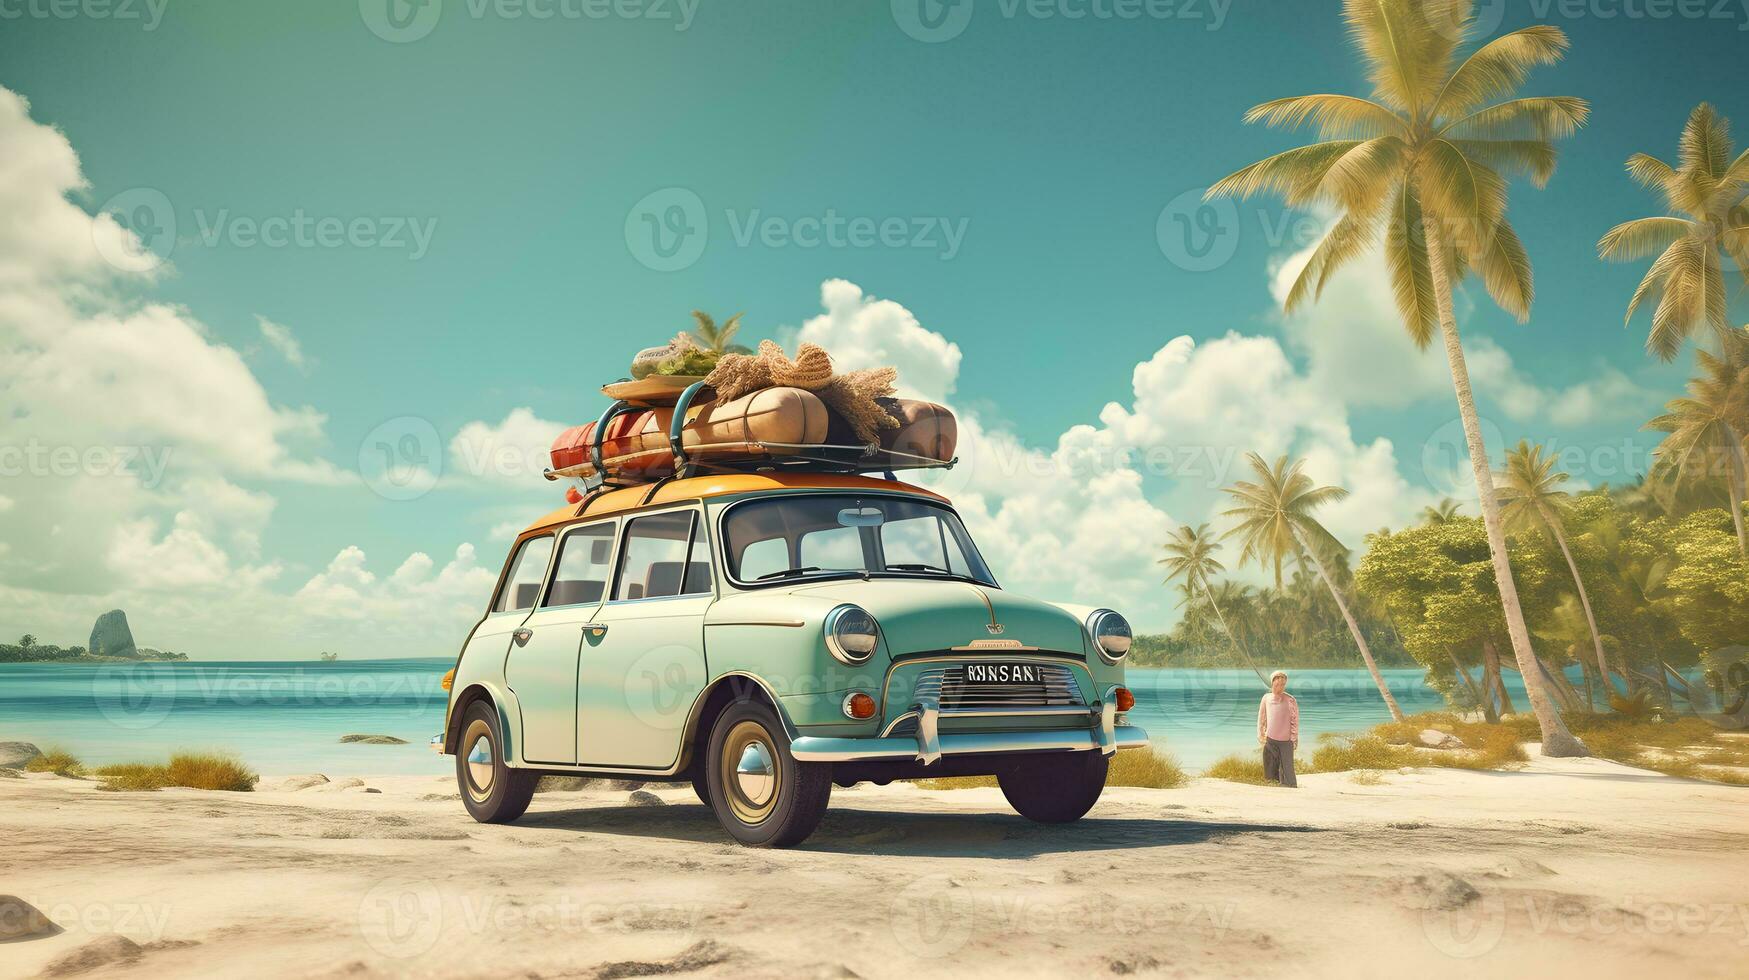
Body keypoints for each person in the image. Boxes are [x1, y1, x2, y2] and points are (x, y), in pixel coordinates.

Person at [1257, 670, 1299, 787]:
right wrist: (1261, 734)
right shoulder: (1266, 698)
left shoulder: (1290, 699)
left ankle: (1290, 787)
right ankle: (1273, 788)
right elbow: (1262, 718)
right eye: (1277, 684)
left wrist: (1294, 738)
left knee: (1288, 770)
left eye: (1282, 684)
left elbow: (1295, 721)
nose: (1279, 687)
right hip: (1270, 739)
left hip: (1286, 741)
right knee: (1270, 768)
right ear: (1272, 684)